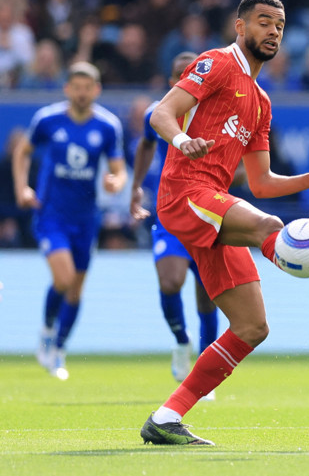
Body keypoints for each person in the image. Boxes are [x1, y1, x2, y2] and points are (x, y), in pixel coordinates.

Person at [139, 0, 309, 446]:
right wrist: (183, 139)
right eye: (264, 22)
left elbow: (262, 182)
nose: (273, 31)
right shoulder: (216, 63)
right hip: (185, 192)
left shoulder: (261, 102)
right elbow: (161, 113)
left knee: (252, 327)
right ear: (240, 27)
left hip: (215, 204)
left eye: (280, 26)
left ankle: (166, 417)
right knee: (269, 227)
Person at [12, 61, 127, 379]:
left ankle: (58, 350)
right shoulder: (47, 119)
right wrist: (23, 186)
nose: (81, 92)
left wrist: (114, 184)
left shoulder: (107, 126)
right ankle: (47, 329)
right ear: (67, 89)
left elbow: (118, 170)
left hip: (86, 217)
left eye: (87, 87)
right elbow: (22, 151)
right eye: (75, 87)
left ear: (96, 90)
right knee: (62, 280)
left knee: (75, 290)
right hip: (51, 214)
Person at [130, 51, 219, 386]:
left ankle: (205, 372)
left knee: (209, 295)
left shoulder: (218, 114)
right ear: (172, 82)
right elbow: (146, 145)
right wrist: (136, 187)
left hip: (209, 213)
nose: (188, 79)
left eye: (194, 73)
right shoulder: (157, 114)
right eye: (182, 74)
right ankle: (182, 341)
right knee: (170, 281)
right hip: (170, 212)